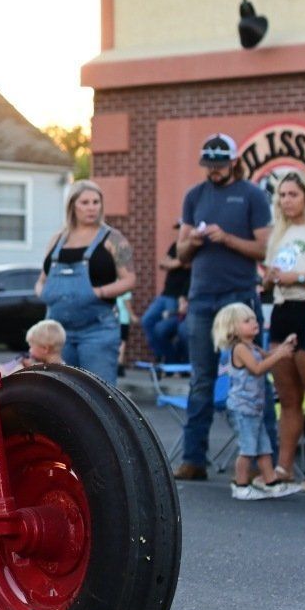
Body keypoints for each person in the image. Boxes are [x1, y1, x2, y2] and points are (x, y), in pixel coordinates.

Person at [172, 135, 273, 481]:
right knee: (201, 378)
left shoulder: (252, 195)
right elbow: (180, 254)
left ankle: (264, 462)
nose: (213, 171)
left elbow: (263, 249)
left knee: (253, 375)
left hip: (238, 295)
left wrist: (226, 238)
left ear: (234, 162)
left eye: (219, 164)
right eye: (209, 165)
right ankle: (193, 459)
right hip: (202, 296)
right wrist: (194, 241)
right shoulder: (194, 196)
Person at [260, 172, 305, 486]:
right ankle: (284, 467)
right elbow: (268, 275)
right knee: (288, 398)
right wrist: (269, 279)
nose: (287, 200)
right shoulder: (279, 233)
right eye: (283, 195)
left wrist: (300, 279)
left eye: (293, 194)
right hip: (281, 310)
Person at [35, 179, 135, 384]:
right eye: (85, 202)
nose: (91, 208)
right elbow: (42, 279)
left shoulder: (113, 239)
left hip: (98, 331)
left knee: (99, 395)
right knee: (60, 392)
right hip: (57, 333)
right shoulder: (57, 239)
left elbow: (129, 280)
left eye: (96, 202)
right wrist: (42, 293)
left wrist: (99, 292)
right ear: (73, 205)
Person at [214, 302, 301, 500]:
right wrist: (279, 355)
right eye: (247, 321)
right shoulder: (239, 349)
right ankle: (240, 485)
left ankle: (271, 483)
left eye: (254, 318)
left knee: (264, 447)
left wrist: (284, 346)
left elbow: (267, 357)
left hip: (254, 408)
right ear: (233, 328)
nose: (254, 323)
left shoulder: (252, 346)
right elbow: (258, 368)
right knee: (248, 449)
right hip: (242, 409)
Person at [140, 230, 190, 367]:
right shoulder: (175, 245)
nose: (181, 231)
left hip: (179, 298)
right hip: (165, 294)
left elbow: (189, 265)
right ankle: (165, 357)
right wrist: (180, 261)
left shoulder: (194, 247)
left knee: (169, 329)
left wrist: (173, 263)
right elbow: (163, 263)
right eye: (179, 229)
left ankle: (176, 363)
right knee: (147, 321)